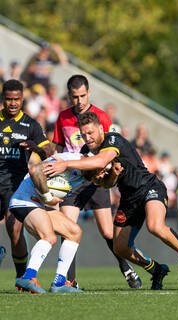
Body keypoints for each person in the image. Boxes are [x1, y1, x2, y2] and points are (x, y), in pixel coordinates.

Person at [44, 112, 178, 290]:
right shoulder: (86, 152)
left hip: (149, 187)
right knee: (120, 248)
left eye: (91, 133)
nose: (87, 138)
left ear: (100, 129)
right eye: (84, 134)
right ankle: (156, 269)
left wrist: (65, 164)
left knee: (155, 225)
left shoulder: (112, 140)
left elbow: (101, 160)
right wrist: (111, 176)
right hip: (128, 198)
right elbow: (104, 183)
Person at [52, 74, 141, 289]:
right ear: (69, 96)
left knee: (108, 232)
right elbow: (58, 149)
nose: (79, 101)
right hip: (71, 181)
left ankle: (126, 268)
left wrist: (110, 175)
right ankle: (69, 281)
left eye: (83, 95)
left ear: (89, 93)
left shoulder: (101, 116)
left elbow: (113, 148)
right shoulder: (62, 118)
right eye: (75, 97)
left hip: (96, 180)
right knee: (67, 229)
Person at [9, 152, 87, 293]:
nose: (102, 174)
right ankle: (27, 277)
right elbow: (35, 170)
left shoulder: (85, 175)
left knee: (74, 232)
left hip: (37, 203)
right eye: (102, 170)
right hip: (24, 200)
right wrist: (48, 197)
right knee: (49, 237)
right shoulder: (70, 159)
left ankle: (59, 283)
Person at [0, 79, 51, 285]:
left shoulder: (31, 125)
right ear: (3, 99)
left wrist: (35, 147)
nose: (13, 103)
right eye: (9, 99)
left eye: (17, 99)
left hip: (14, 186)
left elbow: (48, 151)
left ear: (22, 99)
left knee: (14, 229)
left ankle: (21, 277)